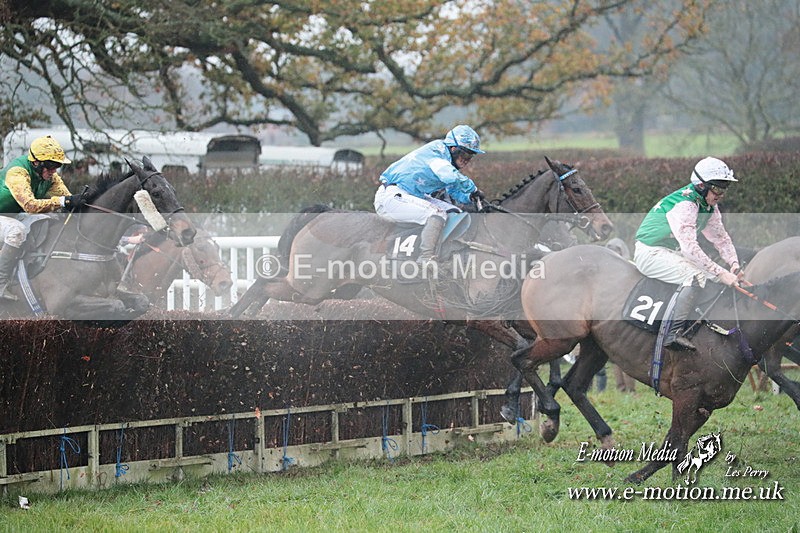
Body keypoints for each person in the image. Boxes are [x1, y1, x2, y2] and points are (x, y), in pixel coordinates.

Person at [634, 156, 741, 351]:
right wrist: (721, 272)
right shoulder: (686, 205)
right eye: (717, 188)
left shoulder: (709, 206)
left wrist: (734, 264)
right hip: (649, 252)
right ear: (701, 185)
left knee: (712, 276)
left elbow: (721, 238)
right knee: (696, 276)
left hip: (669, 252)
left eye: (724, 188)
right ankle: (672, 334)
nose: (721, 194)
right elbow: (690, 249)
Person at [374, 125, 485, 270]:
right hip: (390, 198)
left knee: (454, 212)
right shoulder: (437, 152)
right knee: (436, 213)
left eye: (470, 156)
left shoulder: (447, 160)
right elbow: (449, 175)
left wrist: (470, 197)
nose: (466, 160)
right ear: (453, 149)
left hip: (411, 195)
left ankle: (443, 253)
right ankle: (426, 258)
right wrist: (473, 188)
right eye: (465, 155)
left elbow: (453, 189)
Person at [0, 135, 85, 301]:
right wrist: (64, 201)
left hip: (12, 214)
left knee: (49, 218)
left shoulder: (50, 177)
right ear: (36, 162)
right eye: (51, 165)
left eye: (57, 166)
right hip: (9, 215)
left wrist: (81, 202)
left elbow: (67, 197)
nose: (54, 170)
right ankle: (0, 283)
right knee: (17, 231)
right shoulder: (18, 172)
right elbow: (31, 206)